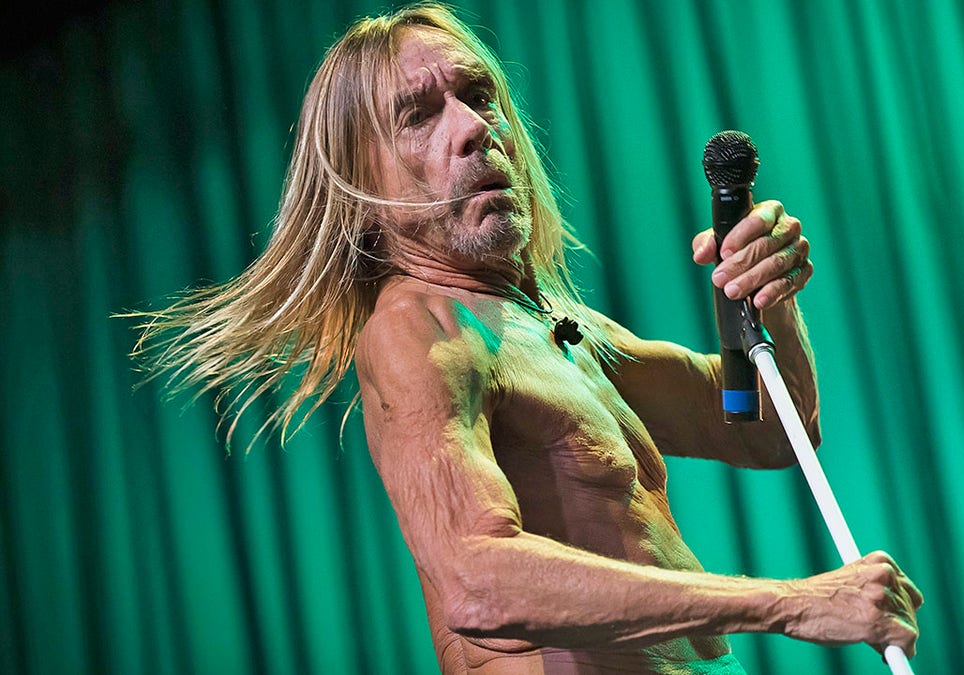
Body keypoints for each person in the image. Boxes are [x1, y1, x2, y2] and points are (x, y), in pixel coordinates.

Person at [133, 4, 922, 673]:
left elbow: (764, 430)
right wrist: (789, 602)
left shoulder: (549, 325)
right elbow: (478, 583)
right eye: (420, 114)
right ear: (360, 192)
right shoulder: (421, 328)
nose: (475, 128)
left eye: (480, 96)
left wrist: (765, 296)